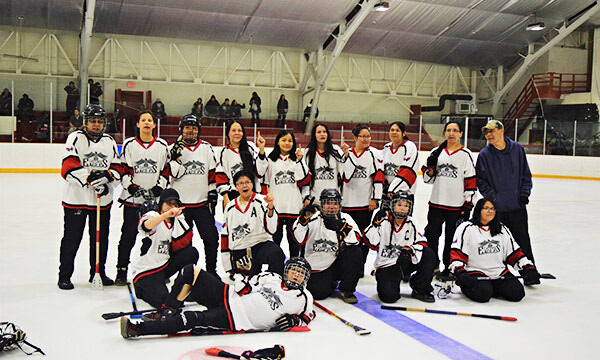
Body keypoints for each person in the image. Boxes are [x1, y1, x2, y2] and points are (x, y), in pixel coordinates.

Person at [120, 257, 314, 338]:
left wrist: (296, 319)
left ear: (305, 278)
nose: (296, 275)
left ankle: (137, 329)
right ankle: (168, 310)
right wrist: (241, 277)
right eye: (294, 271)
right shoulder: (270, 277)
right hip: (230, 297)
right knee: (191, 271)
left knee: (192, 319)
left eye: (301, 273)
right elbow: (245, 290)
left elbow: (309, 315)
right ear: (286, 272)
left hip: (237, 319)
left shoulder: (304, 298)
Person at [58, 104, 121, 289]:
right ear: (85, 122)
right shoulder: (75, 137)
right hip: (76, 200)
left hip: (101, 203)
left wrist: (107, 179)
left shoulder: (109, 141)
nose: (96, 125)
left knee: (100, 240)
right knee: (71, 239)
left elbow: (117, 168)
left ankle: (98, 272)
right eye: (92, 121)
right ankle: (64, 275)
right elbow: (68, 165)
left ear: (104, 123)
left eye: (99, 121)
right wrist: (92, 179)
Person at [449, 198, 541, 303]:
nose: (490, 211)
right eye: (486, 208)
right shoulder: (466, 228)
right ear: (479, 210)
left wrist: (528, 268)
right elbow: (457, 255)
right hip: (476, 272)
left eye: (493, 209)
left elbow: (514, 253)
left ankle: (491, 288)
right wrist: (460, 272)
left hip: (499, 273)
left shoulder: (501, 228)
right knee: (483, 294)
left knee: (517, 293)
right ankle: (482, 288)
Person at [116, 111, 169, 286]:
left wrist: (157, 189)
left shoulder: (162, 145)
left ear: (154, 125)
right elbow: (124, 169)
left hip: (154, 202)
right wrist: (132, 188)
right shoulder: (129, 144)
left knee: (153, 236)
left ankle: (151, 269)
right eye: (143, 120)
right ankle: (122, 270)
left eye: (150, 120)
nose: (147, 123)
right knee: (128, 236)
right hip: (133, 201)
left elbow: (165, 171)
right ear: (138, 124)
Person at [422, 120, 476, 278]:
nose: (451, 133)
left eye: (455, 130)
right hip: (436, 203)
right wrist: (431, 170)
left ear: (460, 134)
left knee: (451, 239)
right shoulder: (437, 152)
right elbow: (427, 177)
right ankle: (433, 265)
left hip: (456, 206)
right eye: (448, 130)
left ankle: (449, 266)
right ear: (445, 133)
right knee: (432, 236)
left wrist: (468, 204)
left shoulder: (465, 154)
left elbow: (470, 180)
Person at [476, 120, 535, 263]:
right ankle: (499, 271)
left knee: (522, 240)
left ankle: (529, 271)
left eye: (491, 131)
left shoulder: (517, 150)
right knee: (498, 243)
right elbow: (480, 180)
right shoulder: (484, 155)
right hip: (498, 209)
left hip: (517, 207)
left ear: (501, 131)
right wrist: (493, 198)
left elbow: (525, 174)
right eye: (486, 132)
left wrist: (523, 194)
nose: (488, 135)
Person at [168, 114, 219, 277]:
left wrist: (212, 193)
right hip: (180, 207)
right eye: (187, 127)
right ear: (181, 129)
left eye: (194, 128)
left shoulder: (206, 147)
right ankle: (184, 273)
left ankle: (211, 271)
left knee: (211, 239)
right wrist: (174, 157)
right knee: (182, 243)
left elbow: (212, 173)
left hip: (202, 204)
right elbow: (171, 174)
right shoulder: (171, 149)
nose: (191, 131)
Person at [130, 189, 199, 308]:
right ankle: (141, 288)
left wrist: (180, 217)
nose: (172, 207)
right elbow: (146, 226)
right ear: (161, 204)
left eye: (175, 204)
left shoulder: (177, 221)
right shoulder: (153, 215)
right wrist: (166, 215)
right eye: (169, 203)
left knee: (191, 253)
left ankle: (179, 289)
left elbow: (185, 241)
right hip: (147, 269)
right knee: (164, 303)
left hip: (163, 265)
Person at [291, 189, 362, 304]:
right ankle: (330, 282)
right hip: (317, 265)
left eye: (335, 203)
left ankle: (347, 289)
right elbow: (298, 239)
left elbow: (356, 240)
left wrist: (342, 228)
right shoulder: (313, 217)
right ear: (322, 204)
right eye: (328, 203)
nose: (332, 207)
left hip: (336, 262)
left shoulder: (345, 218)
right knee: (318, 293)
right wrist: (303, 220)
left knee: (355, 252)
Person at [364, 192, 436, 303]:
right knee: (389, 297)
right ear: (392, 205)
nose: (402, 208)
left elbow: (422, 243)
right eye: (399, 205)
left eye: (406, 206)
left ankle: (420, 287)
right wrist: (374, 224)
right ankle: (383, 279)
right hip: (386, 265)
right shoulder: (383, 222)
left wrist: (412, 249)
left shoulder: (412, 223)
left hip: (404, 261)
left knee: (428, 254)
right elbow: (372, 244)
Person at [221, 171, 284, 277]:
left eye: (247, 182)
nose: (244, 185)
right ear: (236, 187)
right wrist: (228, 265)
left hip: (260, 244)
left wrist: (271, 208)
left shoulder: (262, 201)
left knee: (276, 253)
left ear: (252, 184)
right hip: (240, 249)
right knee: (247, 285)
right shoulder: (230, 207)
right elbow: (224, 236)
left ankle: (274, 283)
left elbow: (272, 229)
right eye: (240, 183)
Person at [340, 125, 384, 274]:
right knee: (346, 237)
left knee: (363, 237)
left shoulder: (374, 154)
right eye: (363, 136)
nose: (366, 139)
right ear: (355, 138)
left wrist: (375, 199)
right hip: (347, 204)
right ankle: (345, 266)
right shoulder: (347, 153)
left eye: (368, 136)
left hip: (365, 205)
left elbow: (378, 178)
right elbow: (342, 177)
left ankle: (359, 267)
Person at [263, 130, 310, 258]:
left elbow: (304, 181)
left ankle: (293, 267)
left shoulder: (297, 160)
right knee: (275, 241)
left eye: (290, 140)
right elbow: (265, 182)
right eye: (284, 140)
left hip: (293, 207)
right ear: (277, 142)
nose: (287, 143)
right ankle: (275, 267)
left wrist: (300, 161)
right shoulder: (270, 161)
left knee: (294, 242)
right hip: (276, 207)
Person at [215, 120, 268, 207]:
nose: (237, 133)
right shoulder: (223, 152)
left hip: (252, 193)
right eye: (234, 130)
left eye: (239, 130)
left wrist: (261, 150)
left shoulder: (250, 147)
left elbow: (260, 173)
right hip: (233, 195)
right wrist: (225, 197)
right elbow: (221, 176)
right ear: (228, 133)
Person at [302, 123, 345, 206]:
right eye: (319, 132)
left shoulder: (335, 150)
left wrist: (345, 155)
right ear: (314, 135)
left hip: (333, 200)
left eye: (324, 132)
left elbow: (343, 173)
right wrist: (305, 197)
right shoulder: (308, 152)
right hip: (314, 200)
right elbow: (305, 178)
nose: (322, 134)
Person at [381, 121, 419, 200]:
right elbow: (381, 169)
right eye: (392, 130)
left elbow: (408, 171)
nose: (394, 132)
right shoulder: (386, 147)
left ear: (404, 133)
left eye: (397, 130)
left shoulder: (409, 146)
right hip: (387, 193)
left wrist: (393, 189)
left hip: (403, 194)